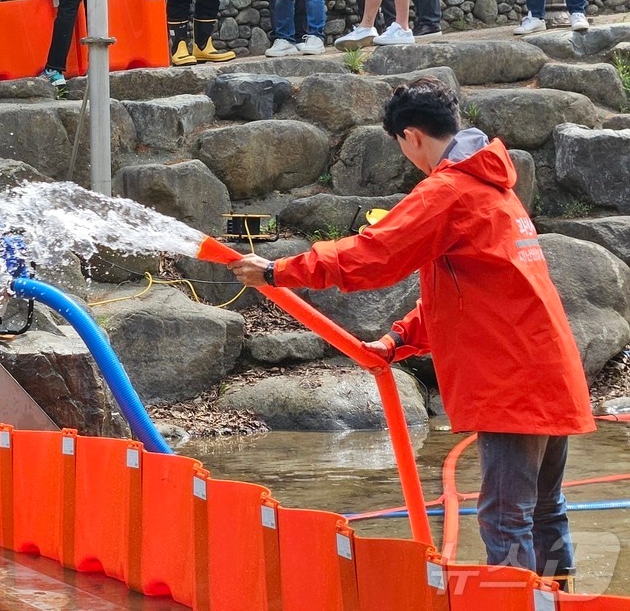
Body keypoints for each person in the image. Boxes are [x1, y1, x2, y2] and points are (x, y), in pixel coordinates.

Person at [228, 77, 592, 588]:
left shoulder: (449, 190)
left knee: (506, 517)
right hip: (549, 370)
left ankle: (520, 602)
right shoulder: (494, 189)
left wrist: (277, 271)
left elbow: (374, 254)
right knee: (544, 509)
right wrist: (400, 339)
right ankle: (558, 597)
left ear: (411, 136)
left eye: (401, 146)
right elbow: (474, 293)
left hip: (512, 381)